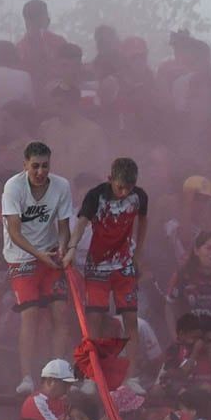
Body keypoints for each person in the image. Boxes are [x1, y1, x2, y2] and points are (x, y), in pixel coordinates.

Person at [69, 157, 149, 386]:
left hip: (124, 266)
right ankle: (91, 376)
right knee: (94, 321)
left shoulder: (139, 196)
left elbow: (143, 223)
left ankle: (131, 376)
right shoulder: (95, 196)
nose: (124, 192)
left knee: (131, 320)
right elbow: (81, 224)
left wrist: (138, 254)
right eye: (120, 187)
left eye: (129, 188)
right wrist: (71, 249)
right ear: (110, 179)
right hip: (98, 267)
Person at [2, 141, 74, 394]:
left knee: (61, 312)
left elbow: (64, 227)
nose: (40, 171)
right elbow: (14, 231)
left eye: (45, 166)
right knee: (30, 315)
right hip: (21, 256)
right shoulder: (13, 187)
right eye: (35, 166)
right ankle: (26, 377)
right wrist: (39, 255)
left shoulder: (62, 185)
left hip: (50, 254)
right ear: (25, 165)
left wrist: (63, 248)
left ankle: (58, 373)